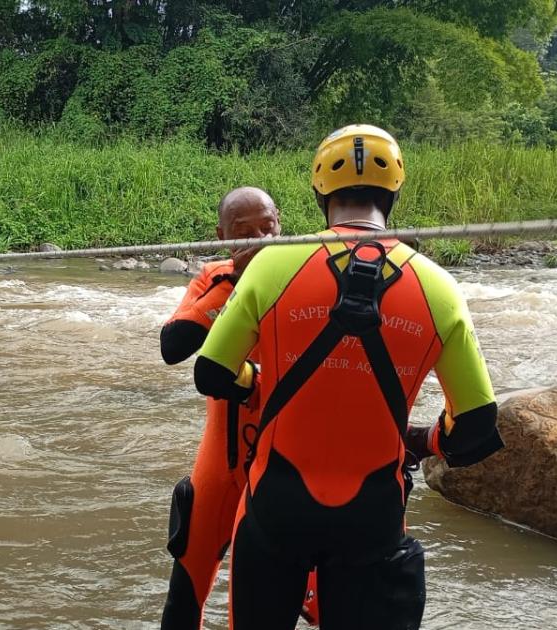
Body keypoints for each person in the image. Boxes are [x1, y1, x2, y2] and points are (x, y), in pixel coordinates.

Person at [194, 125, 503, 630]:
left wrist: (260, 383)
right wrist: (425, 440)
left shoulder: (272, 264)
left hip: (275, 505)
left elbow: (211, 372)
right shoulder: (440, 289)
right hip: (372, 515)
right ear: (395, 192)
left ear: (320, 192)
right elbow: (475, 427)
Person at [159, 188, 328, 629]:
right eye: (243, 232)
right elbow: (173, 346)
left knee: (317, 599)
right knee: (186, 589)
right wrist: (238, 281)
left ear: (281, 223)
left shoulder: (312, 275)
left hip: (290, 465)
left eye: (266, 227)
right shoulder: (213, 278)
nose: (259, 238)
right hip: (222, 462)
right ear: (222, 235)